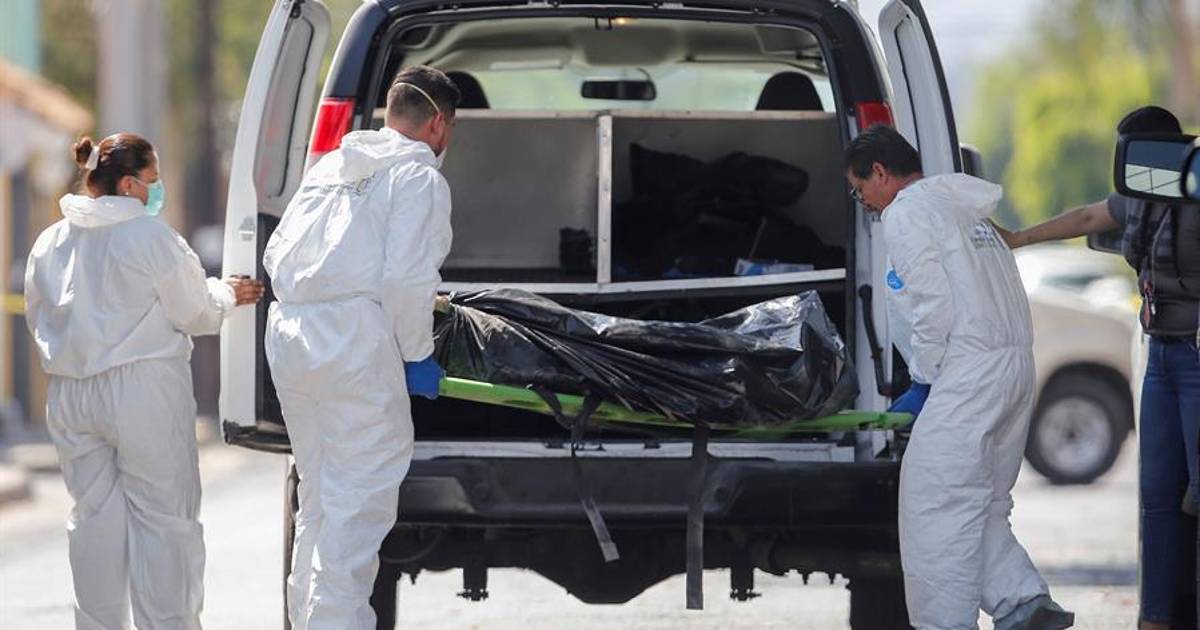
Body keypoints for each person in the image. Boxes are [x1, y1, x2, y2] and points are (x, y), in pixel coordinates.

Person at [23, 133, 264, 629]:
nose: (158, 189)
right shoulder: (150, 236)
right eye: (153, 180)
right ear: (129, 185)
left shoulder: (50, 242)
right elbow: (195, 311)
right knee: (164, 522)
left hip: (70, 394)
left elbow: (37, 317)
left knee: (93, 520)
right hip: (142, 388)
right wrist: (225, 295)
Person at [844, 124, 1074, 630]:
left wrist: (925, 379)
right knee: (981, 502)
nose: (864, 203)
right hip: (1011, 370)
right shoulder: (965, 212)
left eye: (860, 190)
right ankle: (1023, 603)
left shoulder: (907, 213)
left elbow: (933, 305)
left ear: (880, 172)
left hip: (966, 376)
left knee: (935, 508)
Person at [263, 65, 459, 629]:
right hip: (354, 344)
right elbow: (406, 282)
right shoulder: (418, 178)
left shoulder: (331, 167)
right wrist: (416, 354)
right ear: (438, 124)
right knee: (355, 510)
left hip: (293, 335)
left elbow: (276, 252)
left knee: (319, 500)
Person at [995, 106, 1199, 630]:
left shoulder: (1194, 189)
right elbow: (1087, 219)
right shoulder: (1142, 196)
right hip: (1161, 356)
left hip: (1196, 354)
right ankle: (1155, 619)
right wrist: (1017, 238)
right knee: (1157, 500)